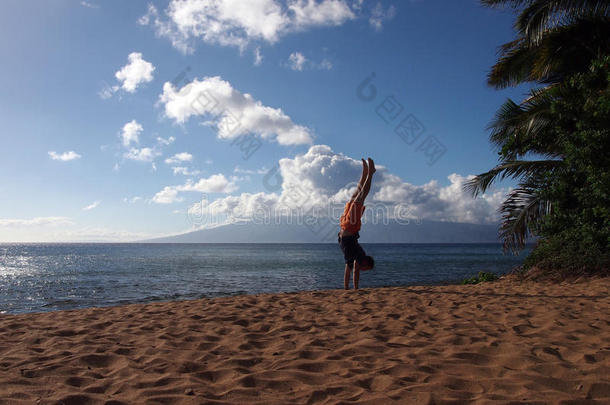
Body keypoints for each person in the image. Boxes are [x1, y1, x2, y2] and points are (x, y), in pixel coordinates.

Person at [338, 157, 375, 290]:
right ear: (366, 264)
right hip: (350, 226)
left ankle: (365, 174)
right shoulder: (360, 257)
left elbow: (349, 270)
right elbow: (354, 272)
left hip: (345, 226)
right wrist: (355, 288)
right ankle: (370, 174)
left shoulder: (355, 257)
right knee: (360, 197)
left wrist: (347, 289)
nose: (363, 270)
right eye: (367, 269)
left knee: (354, 197)